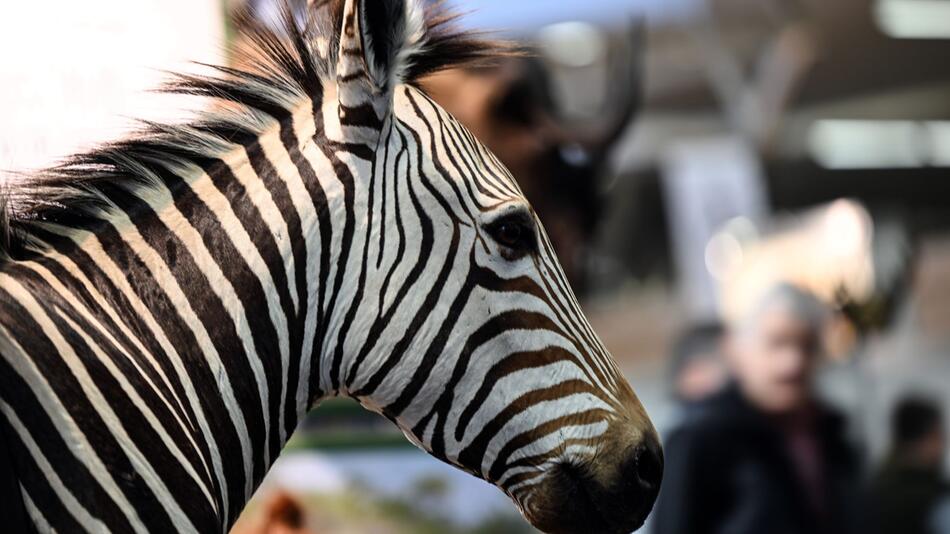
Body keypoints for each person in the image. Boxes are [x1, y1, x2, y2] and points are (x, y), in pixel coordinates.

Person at [652, 283, 863, 534]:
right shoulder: (702, 439)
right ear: (737, 350)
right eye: (777, 343)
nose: (792, 362)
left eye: (806, 346)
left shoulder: (832, 435)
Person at [870, 397, 949, 534]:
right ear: (929, 437)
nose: (943, 444)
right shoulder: (936, 497)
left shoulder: (876, 486)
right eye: (939, 436)